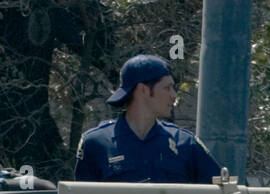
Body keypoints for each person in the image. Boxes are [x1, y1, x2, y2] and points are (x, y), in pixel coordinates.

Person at [74, 54, 222, 184]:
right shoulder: (96, 143)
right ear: (143, 90)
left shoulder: (185, 143)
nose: (174, 95)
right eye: (167, 88)